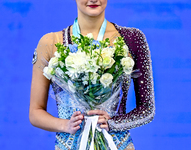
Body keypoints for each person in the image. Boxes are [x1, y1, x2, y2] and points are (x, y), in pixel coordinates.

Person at [29, 0, 155, 149]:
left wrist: (113, 123)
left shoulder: (132, 38)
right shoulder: (50, 42)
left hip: (118, 145)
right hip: (69, 145)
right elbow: (35, 112)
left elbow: (147, 109)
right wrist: (66, 125)